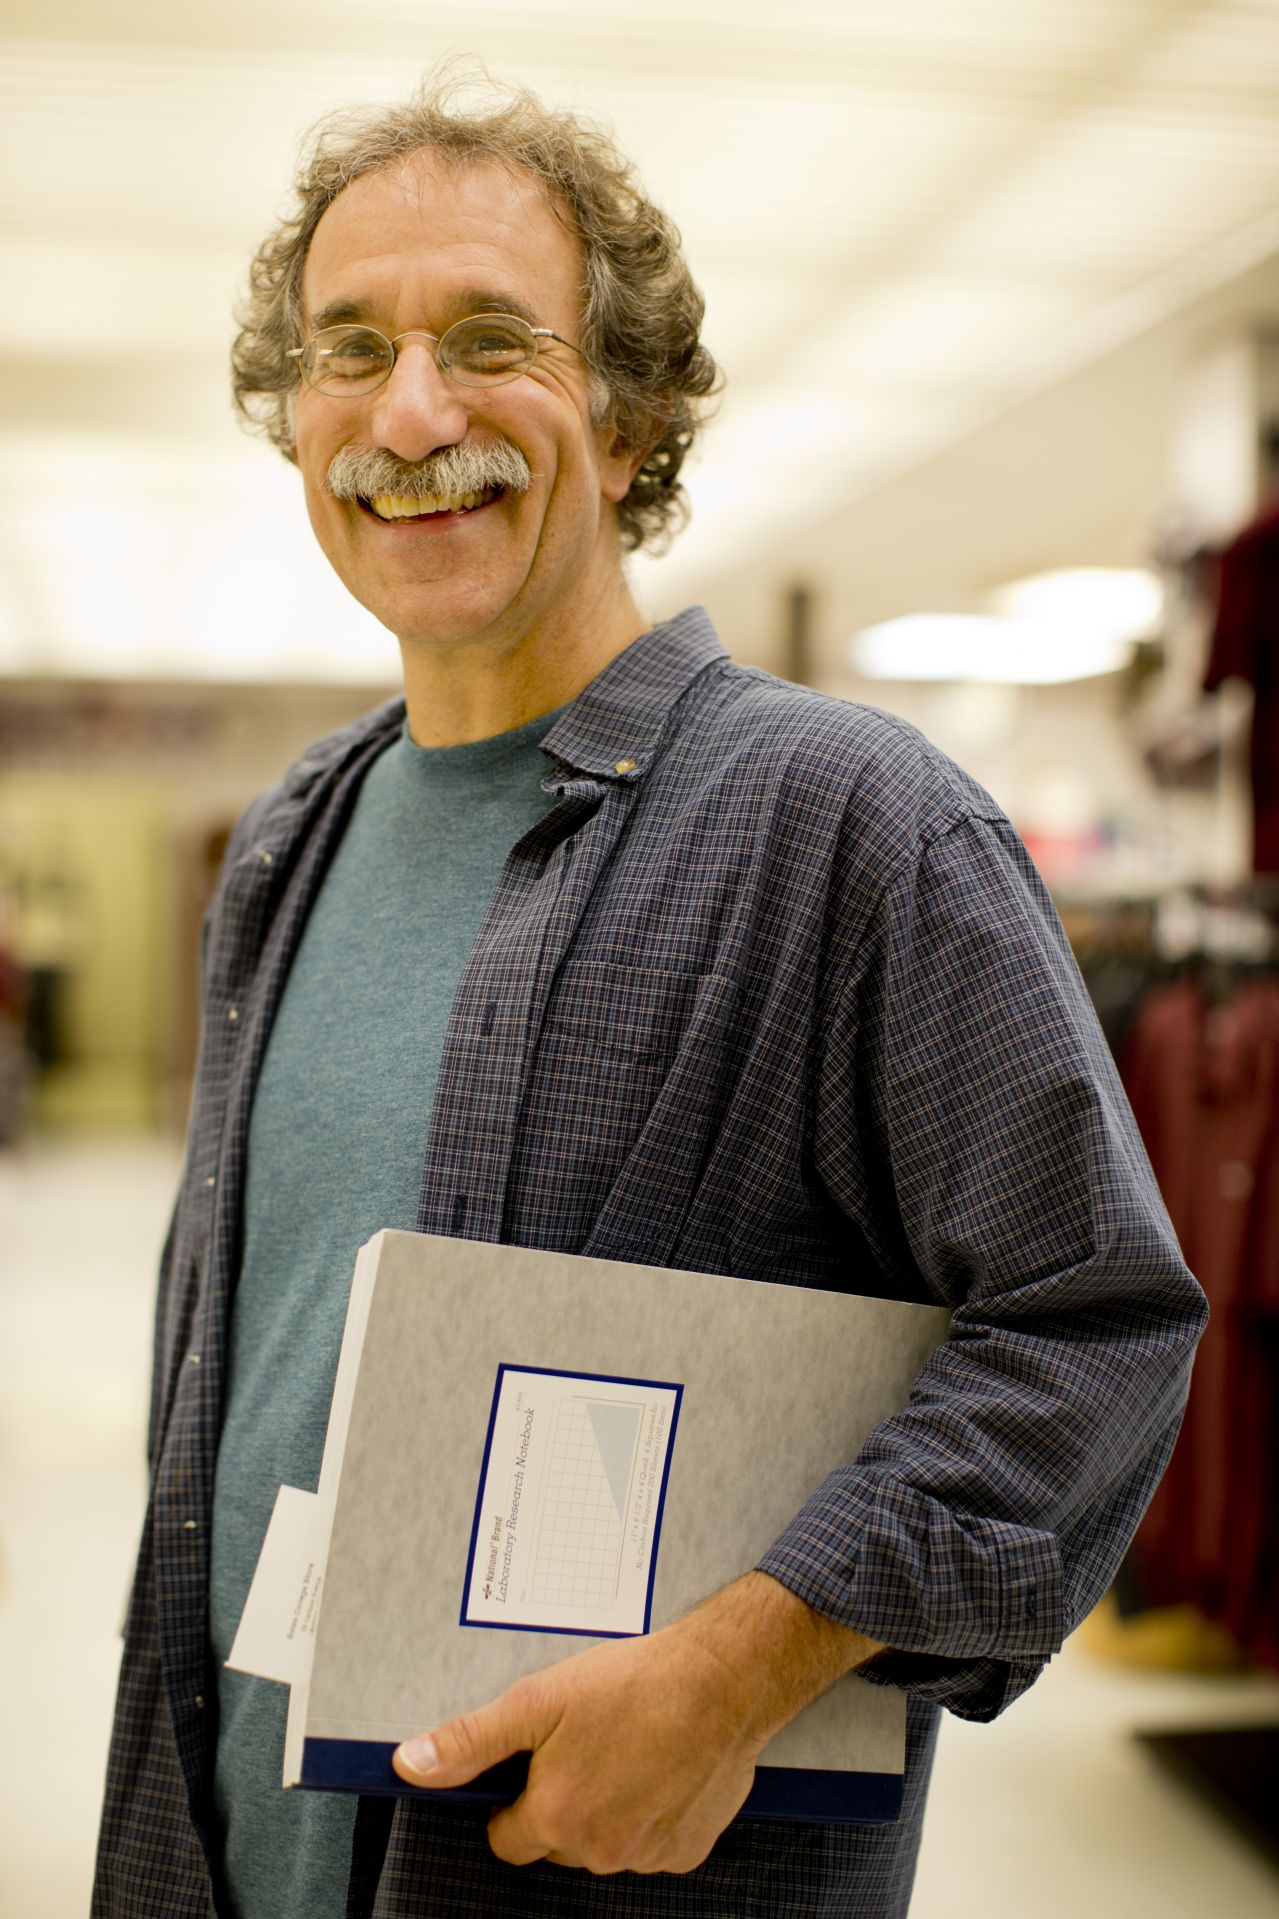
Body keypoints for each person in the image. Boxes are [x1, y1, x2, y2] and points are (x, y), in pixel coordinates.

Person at [93, 72, 1206, 1919]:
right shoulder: (291, 842)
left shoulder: (855, 826)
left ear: (626, 419)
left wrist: (736, 1671)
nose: (411, 411)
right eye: (348, 348)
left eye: (489, 340)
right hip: (224, 1850)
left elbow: (1093, 1328)